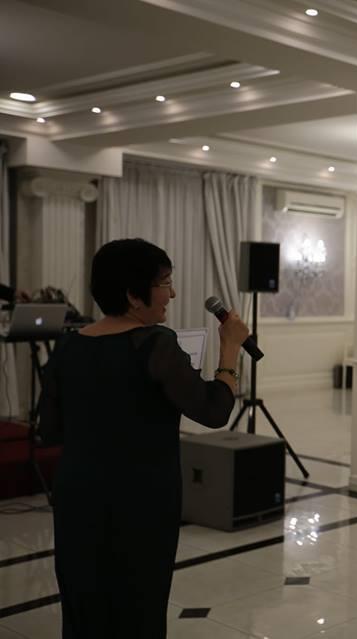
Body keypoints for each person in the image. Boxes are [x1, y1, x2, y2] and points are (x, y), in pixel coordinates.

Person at [38, 238, 250, 638]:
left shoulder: (66, 347)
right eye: (164, 283)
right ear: (134, 295)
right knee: (138, 606)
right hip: (141, 499)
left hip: (78, 497)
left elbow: (49, 429)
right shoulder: (155, 344)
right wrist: (230, 349)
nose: (172, 293)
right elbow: (214, 411)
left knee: (84, 606)